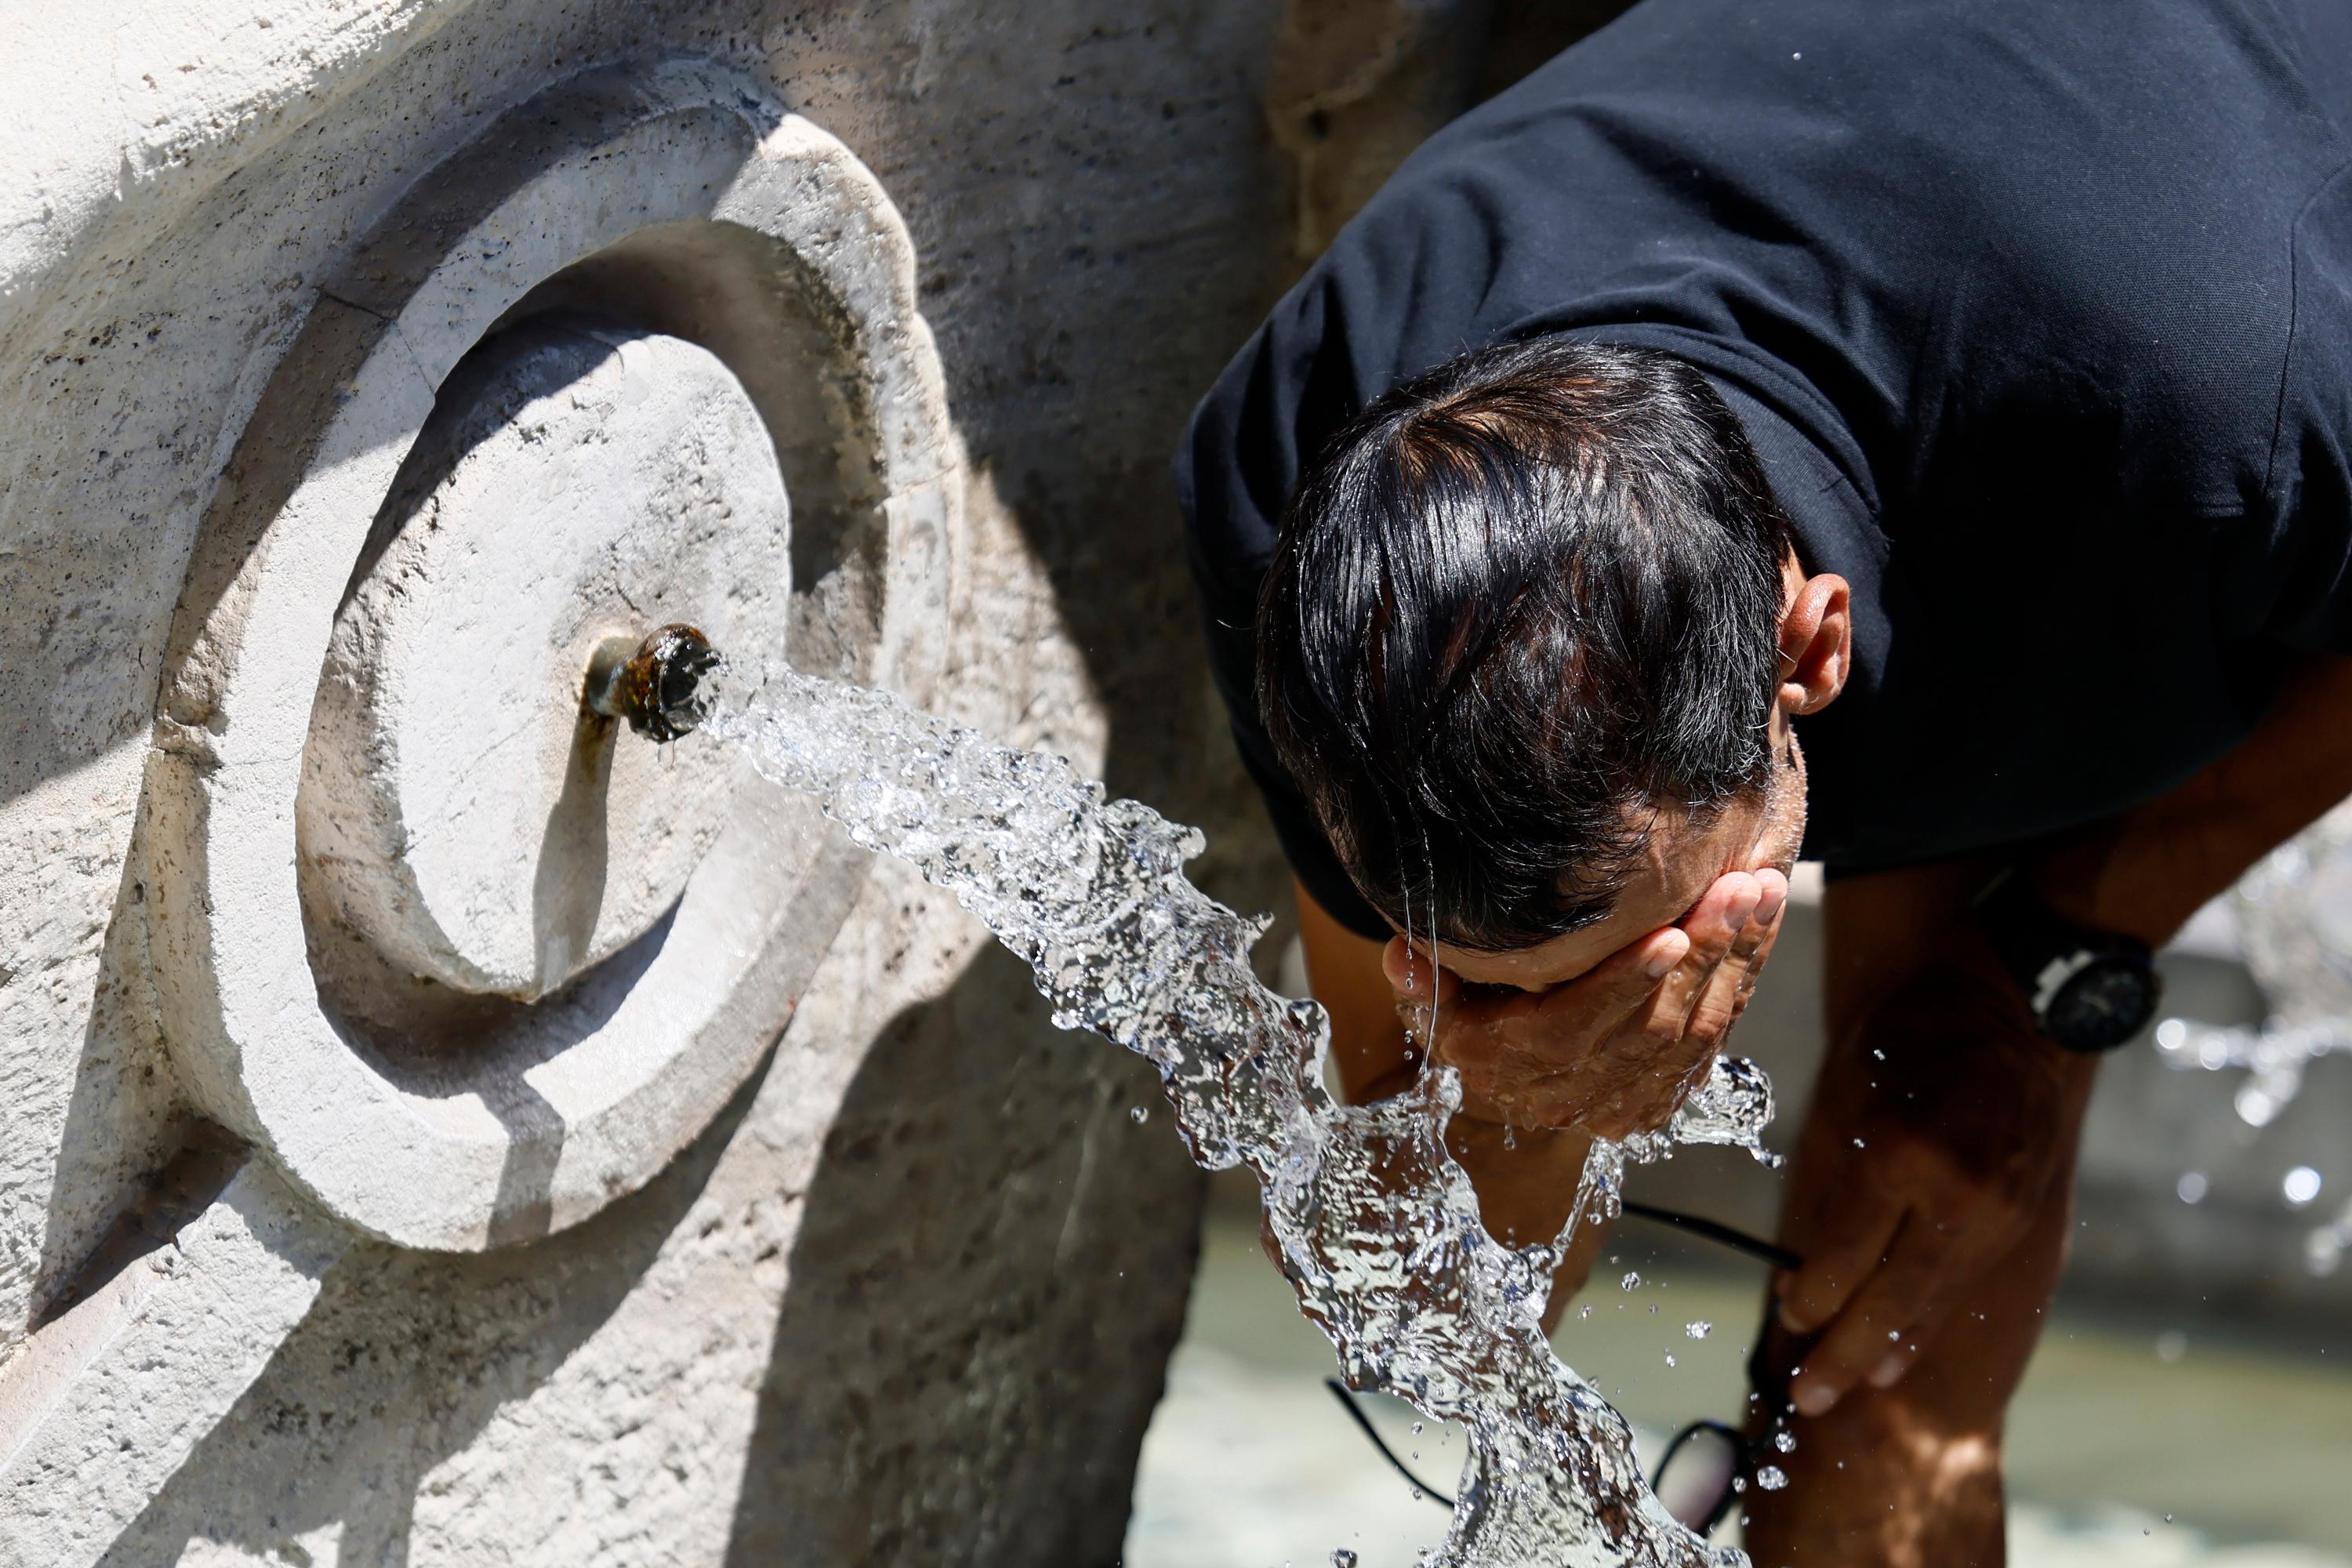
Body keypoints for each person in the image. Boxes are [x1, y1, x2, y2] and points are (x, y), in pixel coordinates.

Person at [1175, 2, 2352, 1561]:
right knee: (1860, 1354)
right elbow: (1452, 1263)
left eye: (1655, 946)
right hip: (1944, 317)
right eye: (1506, 986)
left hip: (2148, 272)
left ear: (1811, 652)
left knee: (1895, 1361)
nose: (1613, 1014)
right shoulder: (1314, 543)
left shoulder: (2231, 415)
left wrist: (2052, 957)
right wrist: (1515, 1099)